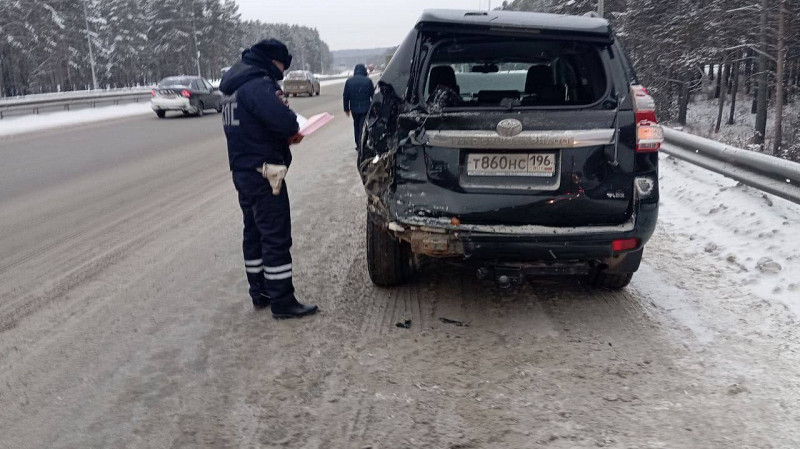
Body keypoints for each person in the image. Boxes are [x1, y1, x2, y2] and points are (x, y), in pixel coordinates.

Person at [219, 39, 318, 319]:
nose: (283, 73)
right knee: (275, 236)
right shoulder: (259, 85)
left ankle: (259, 292)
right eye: (281, 66)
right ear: (272, 60)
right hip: (265, 172)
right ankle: (283, 301)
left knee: (253, 233)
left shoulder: (232, 88)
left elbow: (250, 127)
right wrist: (290, 132)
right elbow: (286, 122)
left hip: (243, 170)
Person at [342, 64, 374, 150]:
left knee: (356, 126)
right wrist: (375, 107)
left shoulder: (349, 82)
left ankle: (358, 144)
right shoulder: (368, 81)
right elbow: (373, 95)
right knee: (363, 126)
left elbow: (346, 96)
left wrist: (346, 109)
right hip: (365, 108)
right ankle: (362, 144)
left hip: (354, 109)